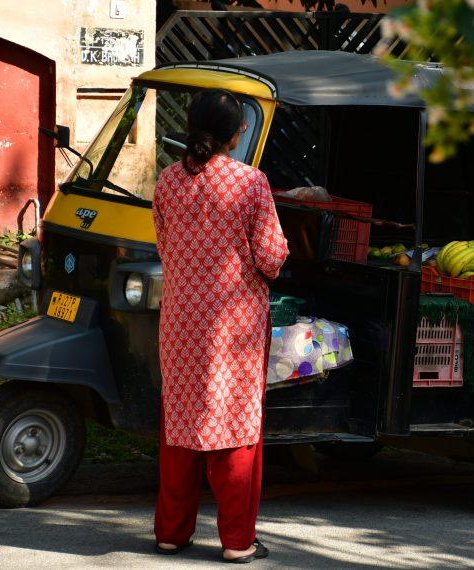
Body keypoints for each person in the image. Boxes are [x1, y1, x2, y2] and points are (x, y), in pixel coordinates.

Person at [152, 89, 289, 562]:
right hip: (234, 328)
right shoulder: (251, 183)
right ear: (236, 133)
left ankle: (171, 533)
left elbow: (166, 248)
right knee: (234, 430)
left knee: (181, 426)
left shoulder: (167, 181)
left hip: (180, 322)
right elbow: (272, 257)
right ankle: (237, 542)